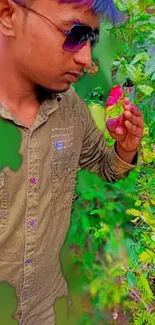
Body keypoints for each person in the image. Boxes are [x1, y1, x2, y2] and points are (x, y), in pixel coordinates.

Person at [0, 0, 144, 324]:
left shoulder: (70, 107)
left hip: (46, 308)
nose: (86, 59)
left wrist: (125, 148)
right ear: (8, 16)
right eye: (74, 33)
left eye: (90, 40)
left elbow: (106, 166)